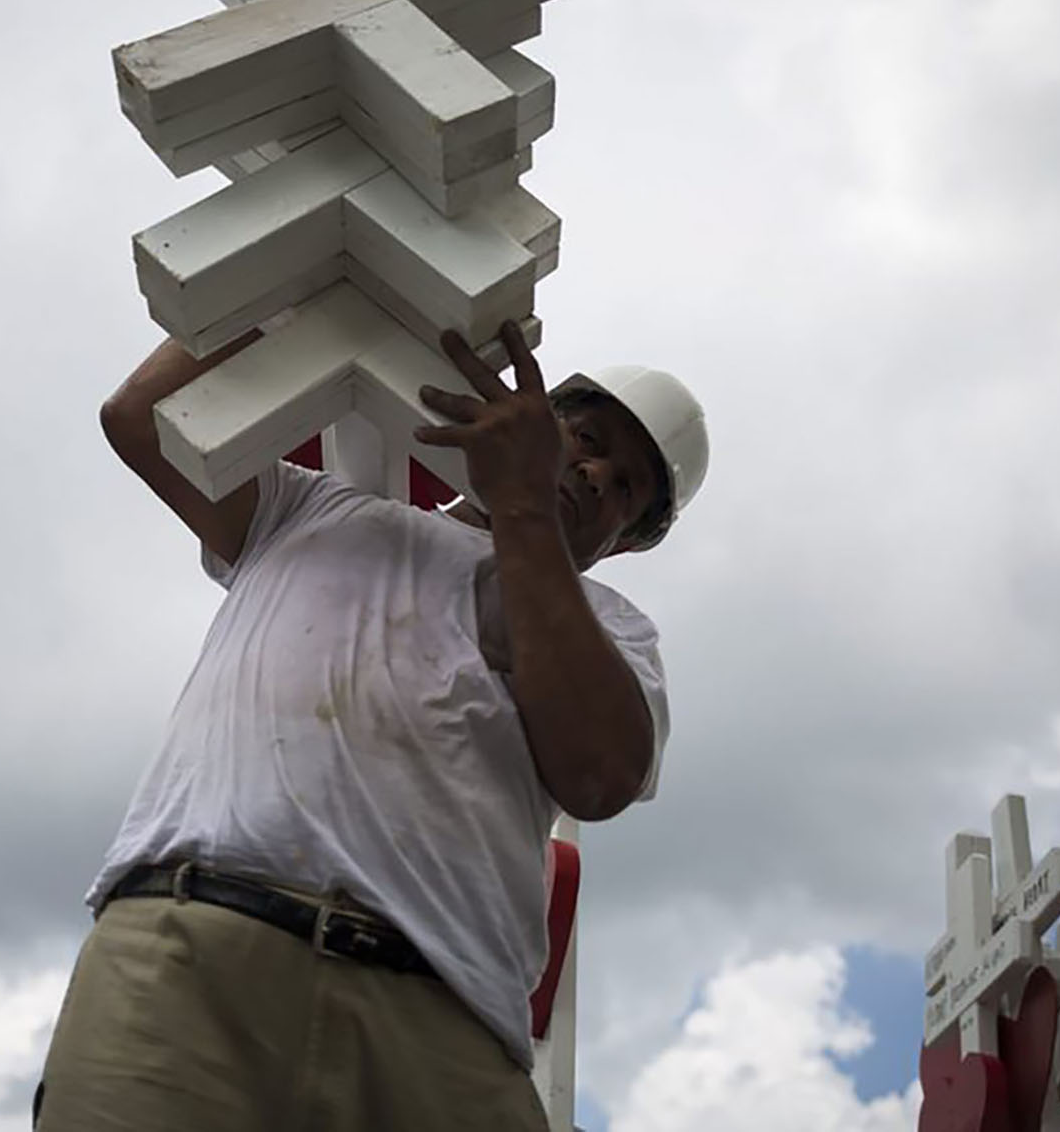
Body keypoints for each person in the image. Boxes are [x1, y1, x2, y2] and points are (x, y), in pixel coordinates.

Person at [37, 322, 709, 1132]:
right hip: (197, 955)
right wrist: (309, 283)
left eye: (626, 488)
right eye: (586, 437)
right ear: (531, 418)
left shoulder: (613, 632)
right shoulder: (311, 507)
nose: (597, 473)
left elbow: (600, 774)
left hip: (440, 1025)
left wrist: (525, 503)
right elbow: (142, 419)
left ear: (626, 541)